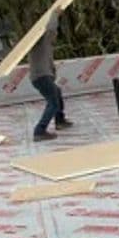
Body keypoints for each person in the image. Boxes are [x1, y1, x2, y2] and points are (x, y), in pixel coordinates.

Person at [28, 8, 72, 141]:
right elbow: (51, 29)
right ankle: (39, 131)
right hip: (42, 77)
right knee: (53, 103)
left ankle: (60, 121)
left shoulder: (42, 44)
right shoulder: (41, 41)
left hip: (41, 77)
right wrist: (55, 14)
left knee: (56, 93)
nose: (55, 35)